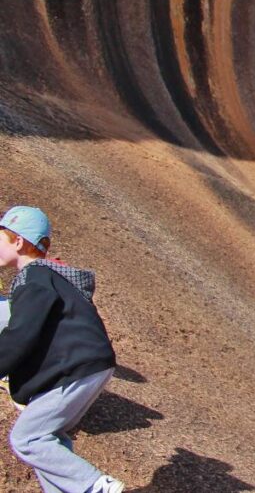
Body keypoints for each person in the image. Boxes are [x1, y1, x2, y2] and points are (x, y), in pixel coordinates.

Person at [0, 206, 124, 493]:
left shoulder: (35, 279)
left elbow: (21, 336)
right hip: (88, 367)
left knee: (27, 439)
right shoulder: (53, 278)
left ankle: (95, 486)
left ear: (18, 242)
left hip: (77, 367)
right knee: (48, 437)